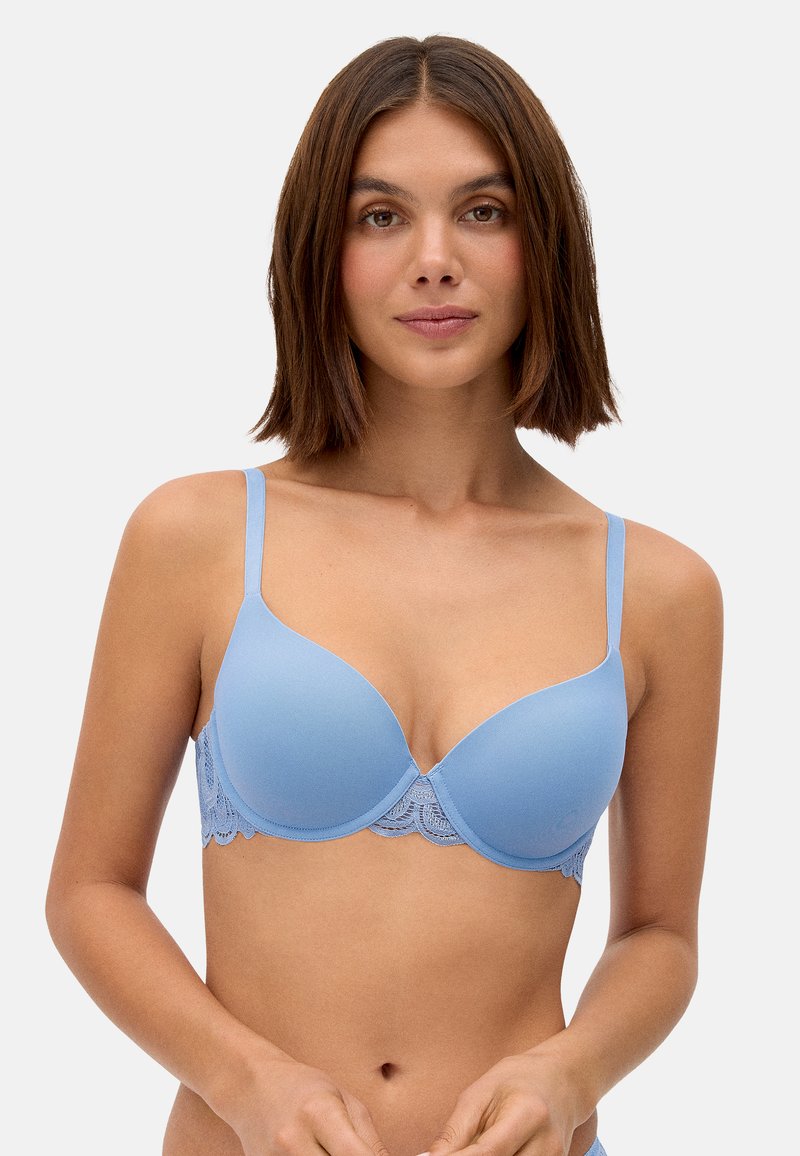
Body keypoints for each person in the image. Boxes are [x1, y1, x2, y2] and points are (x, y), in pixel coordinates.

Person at [44, 33, 723, 1156]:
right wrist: (250, 1084)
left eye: (483, 211)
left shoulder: (658, 590)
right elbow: (89, 892)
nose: (434, 260)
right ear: (321, 250)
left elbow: (659, 934)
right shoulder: (197, 539)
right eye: (380, 216)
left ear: (544, 245)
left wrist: (569, 1073)